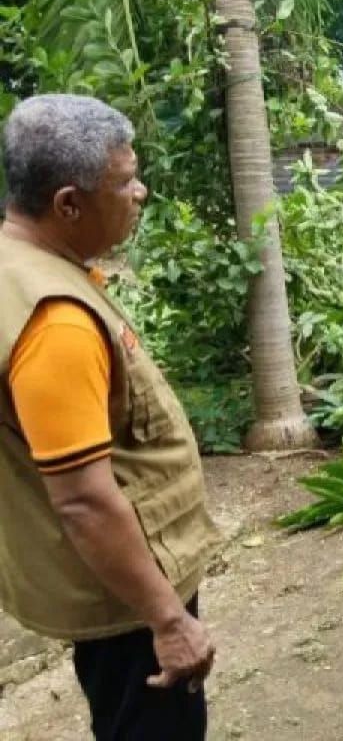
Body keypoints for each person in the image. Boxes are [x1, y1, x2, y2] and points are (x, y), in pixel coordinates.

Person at [0, 95, 222, 738]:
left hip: (116, 586)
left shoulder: (22, 265)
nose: (140, 192)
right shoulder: (55, 322)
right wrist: (169, 621)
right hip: (126, 603)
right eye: (124, 182)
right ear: (68, 204)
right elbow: (84, 502)